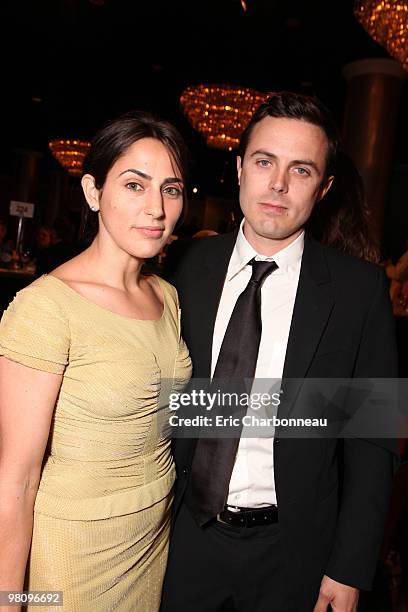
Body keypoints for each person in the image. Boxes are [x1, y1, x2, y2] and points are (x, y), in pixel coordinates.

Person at [161, 92, 398, 612]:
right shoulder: (177, 269)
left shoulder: (359, 292)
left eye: (302, 170)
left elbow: (372, 441)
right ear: (240, 167)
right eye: (265, 161)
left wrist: (349, 566)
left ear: (324, 187)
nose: (278, 184)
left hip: (295, 553)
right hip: (181, 538)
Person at [0, 110, 192, 610]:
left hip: (154, 537)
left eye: (171, 190)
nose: (156, 208)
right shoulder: (46, 308)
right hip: (75, 553)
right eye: (135, 185)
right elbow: (16, 480)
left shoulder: (168, 296)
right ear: (93, 192)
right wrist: (11, 599)